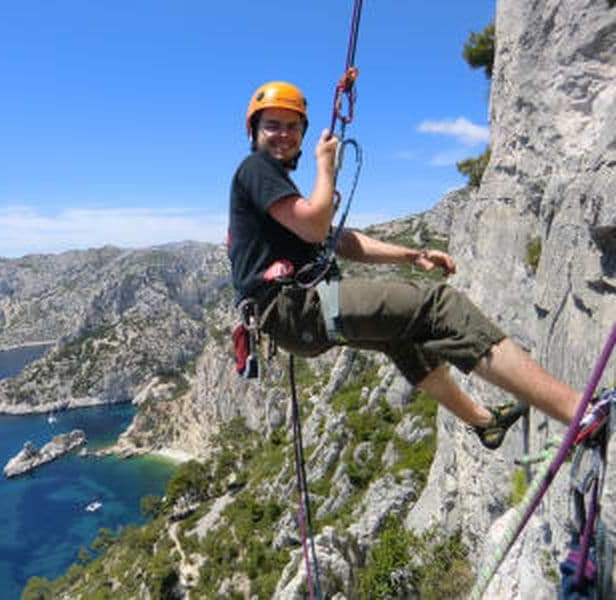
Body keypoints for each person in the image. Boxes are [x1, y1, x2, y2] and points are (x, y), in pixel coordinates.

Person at [228, 80, 582, 449]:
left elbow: (340, 240)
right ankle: (577, 413)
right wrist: (325, 166)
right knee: (438, 306)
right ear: (253, 131)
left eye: (292, 126)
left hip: (297, 314)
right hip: (298, 308)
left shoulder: (276, 190)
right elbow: (316, 225)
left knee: (404, 339)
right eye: (273, 125)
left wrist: (412, 255)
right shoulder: (256, 168)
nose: (283, 134)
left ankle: (484, 422)